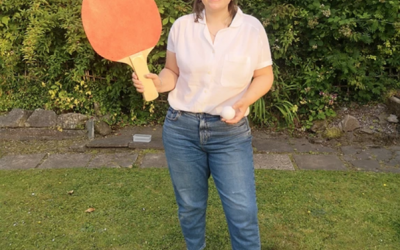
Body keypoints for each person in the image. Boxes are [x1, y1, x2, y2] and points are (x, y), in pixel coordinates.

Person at [132, 0, 274, 249]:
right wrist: (156, 83)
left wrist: (245, 102)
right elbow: (171, 72)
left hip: (230, 133)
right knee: (190, 207)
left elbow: (264, 76)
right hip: (181, 130)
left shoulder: (252, 29)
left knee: (243, 211)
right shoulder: (182, 27)